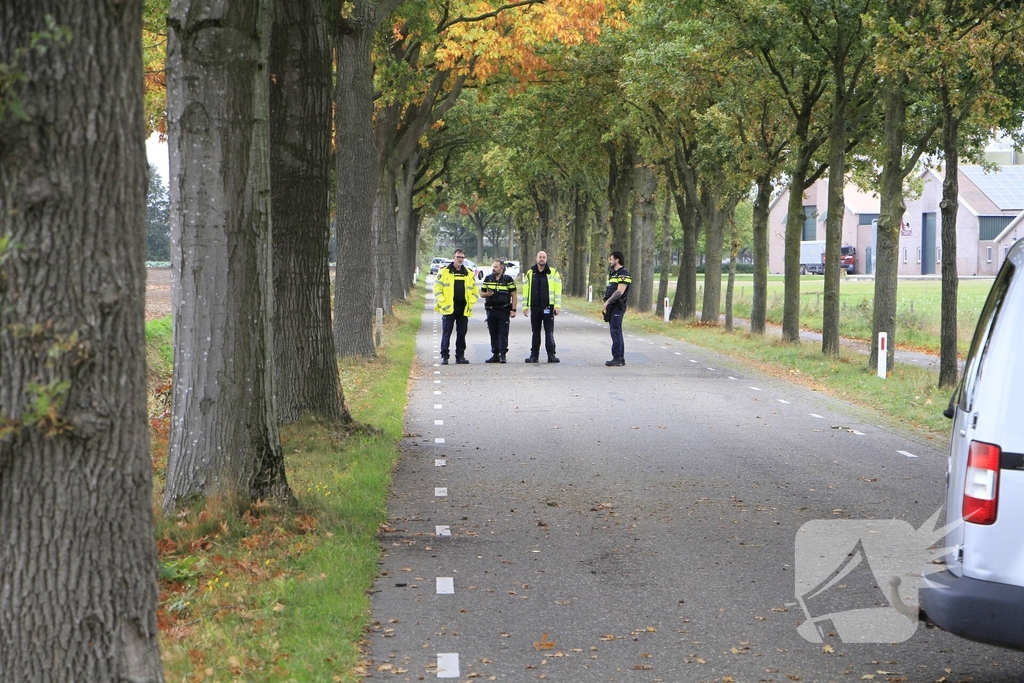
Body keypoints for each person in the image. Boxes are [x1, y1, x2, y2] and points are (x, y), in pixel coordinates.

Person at [433, 249, 478, 364]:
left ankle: (460, 356)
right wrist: (443, 302)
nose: (460, 259)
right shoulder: (444, 272)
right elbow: (437, 289)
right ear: (453, 258)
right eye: (458, 257)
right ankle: (445, 356)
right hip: (449, 308)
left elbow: (474, 289)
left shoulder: (468, 272)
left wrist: (471, 301)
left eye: (462, 257)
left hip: (463, 308)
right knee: (446, 333)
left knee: (462, 333)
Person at [521, 250, 561, 363]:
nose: (542, 259)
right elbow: (526, 291)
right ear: (536, 258)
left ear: (546, 259)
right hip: (535, 307)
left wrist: (557, 306)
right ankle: (534, 355)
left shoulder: (553, 272)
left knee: (549, 332)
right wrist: (525, 307)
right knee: (535, 332)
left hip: (548, 306)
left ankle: (551, 355)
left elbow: (558, 290)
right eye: (540, 257)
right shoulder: (530, 273)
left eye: (544, 257)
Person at [480, 259, 517, 363]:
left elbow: (514, 295)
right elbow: (482, 293)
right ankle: (495, 354)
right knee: (493, 333)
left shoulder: (508, 280)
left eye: (496, 267)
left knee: (503, 333)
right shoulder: (488, 279)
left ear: (502, 268)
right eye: (493, 267)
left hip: (503, 310)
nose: (494, 269)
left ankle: (503, 354)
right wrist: (487, 294)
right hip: (491, 310)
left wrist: (513, 310)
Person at [602, 250, 632, 367]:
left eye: (611, 259)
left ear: (617, 260)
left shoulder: (623, 274)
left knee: (615, 331)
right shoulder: (613, 274)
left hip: (618, 306)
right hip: (612, 306)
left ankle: (617, 357)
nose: (610, 261)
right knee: (616, 331)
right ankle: (621, 358)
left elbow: (620, 291)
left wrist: (608, 301)